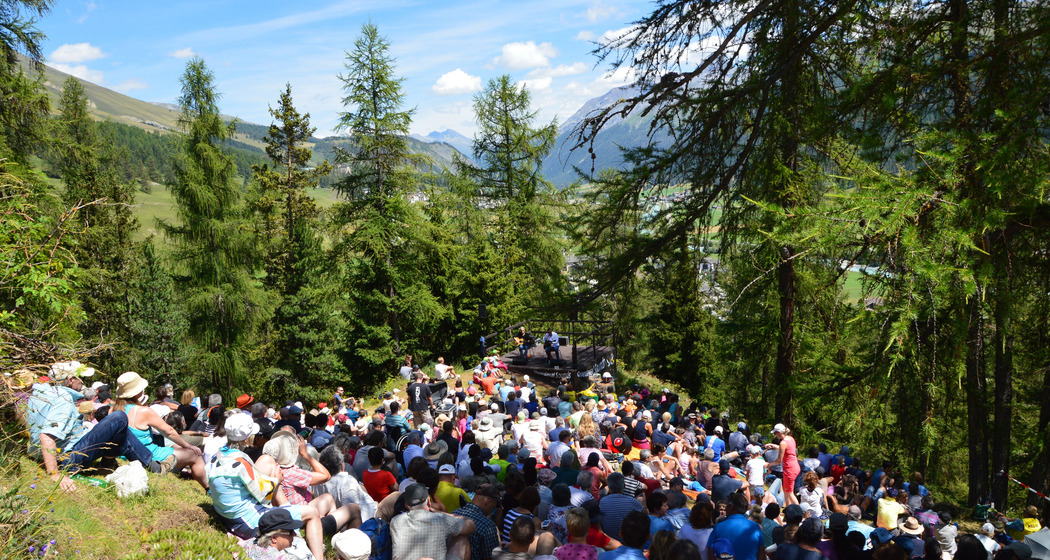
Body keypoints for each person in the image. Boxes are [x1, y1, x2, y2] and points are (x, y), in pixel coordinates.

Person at [26, 361, 166, 492]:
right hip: (68, 459)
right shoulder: (63, 399)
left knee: (117, 427)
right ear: (70, 380)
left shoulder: (39, 394)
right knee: (119, 418)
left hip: (48, 453)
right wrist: (54, 474)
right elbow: (46, 435)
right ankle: (151, 465)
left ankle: (111, 464)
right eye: (79, 377)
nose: (82, 381)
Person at [113, 371, 208, 489]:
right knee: (194, 454)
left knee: (177, 448)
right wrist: (188, 445)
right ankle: (209, 489)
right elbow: (168, 431)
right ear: (139, 392)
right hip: (148, 454)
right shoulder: (142, 411)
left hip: (123, 455)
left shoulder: (114, 410)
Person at [391, 483, 475, 560]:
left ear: (406, 506)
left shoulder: (395, 521)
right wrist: (440, 513)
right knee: (462, 537)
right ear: (428, 502)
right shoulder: (440, 519)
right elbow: (471, 526)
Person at [453, 483, 503, 560]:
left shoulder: (453, 513)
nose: (493, 509)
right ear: (487, 501)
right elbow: (490, 558)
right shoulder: (488, 526)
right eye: (495, 506)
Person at [708, 493, 763, 560]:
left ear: (731, 507)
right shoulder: (755, 527)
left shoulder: (718, 527)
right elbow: (761, 555)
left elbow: (710, 552)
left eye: (727, 506)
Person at [599, 473, 646, 541]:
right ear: (624, 486)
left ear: (609, 487)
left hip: (609, 540)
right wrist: (643, 496)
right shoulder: (632, 501)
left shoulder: (602, 501)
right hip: (628, 541)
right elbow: (645, 515)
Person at [767, 423, 800, 506]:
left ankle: (799, 511)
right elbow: (788, 449)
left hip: (789, 469)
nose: (775, 435)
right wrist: (774, 446)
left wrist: (769, 464)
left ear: (779, 433)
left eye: (775, 433)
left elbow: (779, 460)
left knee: (790, 493)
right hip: (795, 466)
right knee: (786, 491)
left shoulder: (783, 443)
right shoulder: (790, 439)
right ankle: (788, 510)